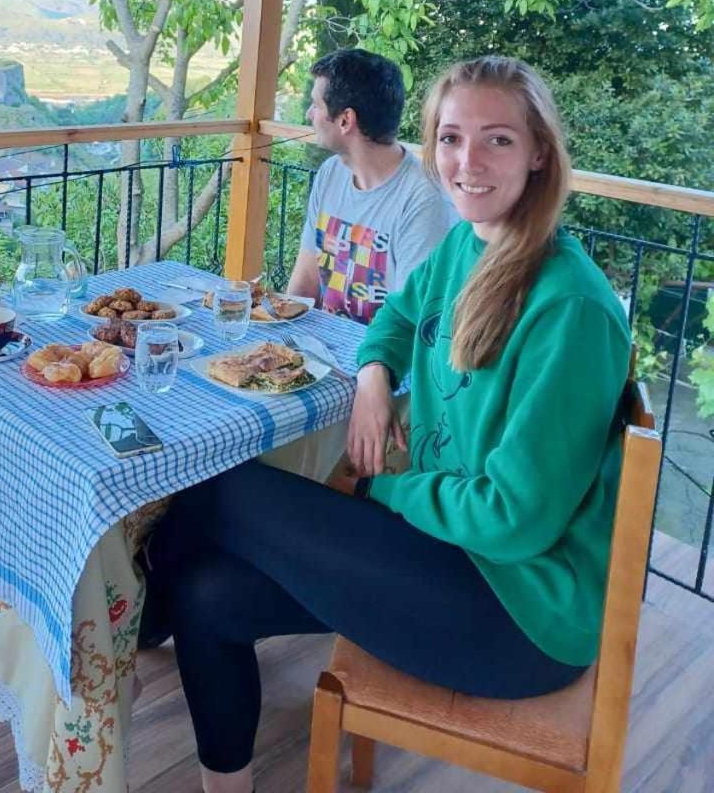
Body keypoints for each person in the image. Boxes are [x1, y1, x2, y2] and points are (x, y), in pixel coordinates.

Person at [139, 56, 631, 793]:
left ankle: (132, 630)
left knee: (227, 490)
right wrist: (373, 376)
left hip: (514, 611)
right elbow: (399, 315)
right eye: (452, 138)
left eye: (497, 140)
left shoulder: (570, 308)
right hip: (443, 549)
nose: (468, 162)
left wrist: (384, 494)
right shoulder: (470, 243)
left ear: (537, 153)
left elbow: (514, 522)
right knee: (208, 594)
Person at [288, 48, 455, 324]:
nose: (309, 114)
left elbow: (409, 323)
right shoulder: (331, 173)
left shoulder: (424, 199)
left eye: (315, 105)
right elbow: (304, 284)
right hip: (320, 353)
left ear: (345, 120)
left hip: (382, 361)